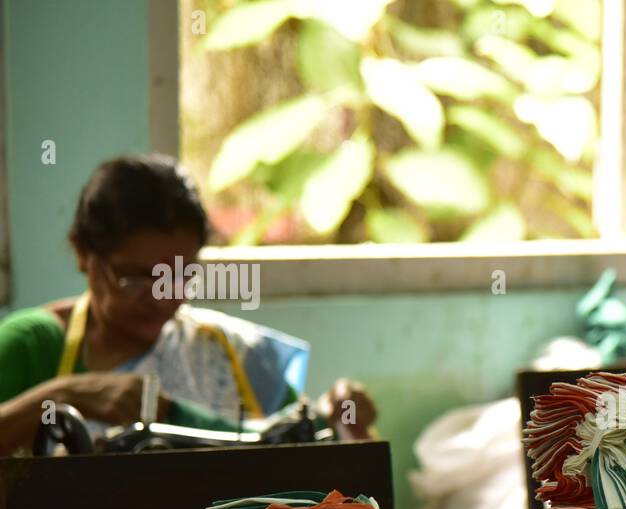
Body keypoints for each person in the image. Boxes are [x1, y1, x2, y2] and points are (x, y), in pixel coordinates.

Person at [0, 154, 377, 456]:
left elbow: (299, 450)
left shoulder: (230, 355)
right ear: (83, 252)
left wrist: (342, 420)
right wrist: (66, 396)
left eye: (178, 275)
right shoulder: (33, 347)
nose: (160, 294)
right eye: (135, 277)